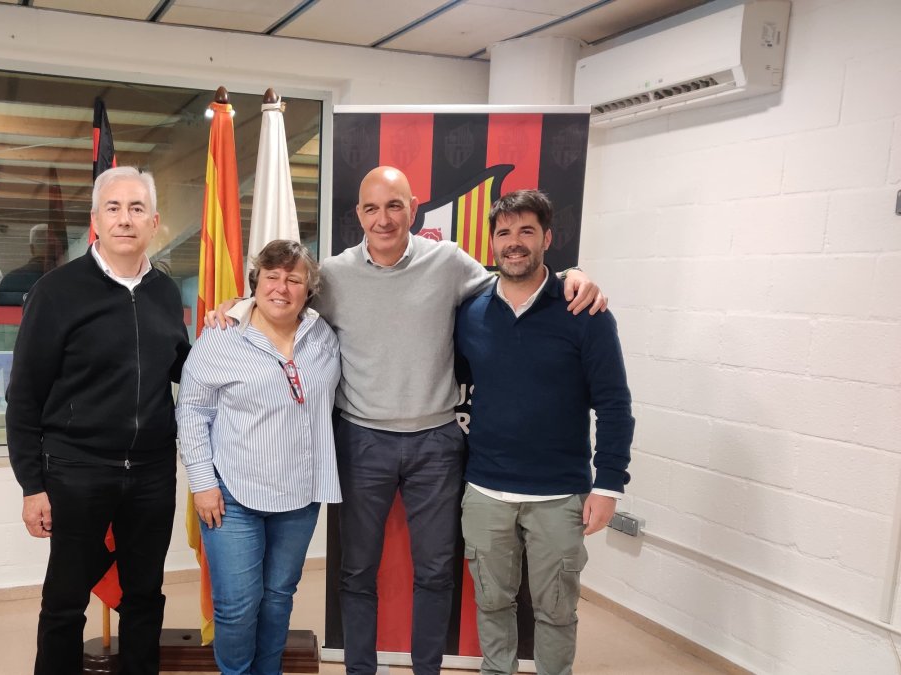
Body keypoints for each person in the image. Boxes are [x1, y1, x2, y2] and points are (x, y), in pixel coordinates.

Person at [209, 166, 605, 675]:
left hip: (437, 443)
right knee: (356, 572)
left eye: (394, 205)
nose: (383, 218)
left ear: (412, 208)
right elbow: (282, 300)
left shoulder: (448, 262)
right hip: (360, 439)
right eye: (372, 208)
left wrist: (571, 275)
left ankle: (426, 671)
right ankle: (359, 670)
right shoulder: (333, 274)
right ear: (358, 215)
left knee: (437, 572)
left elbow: (517, 281)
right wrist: (237, 306)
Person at [6, 166, 190, 675]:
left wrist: (236, 324)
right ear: (95, 220)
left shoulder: (165, 292)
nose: (124, 219)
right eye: (113, 208)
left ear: (153, 222)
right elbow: (23, 396)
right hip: (76, 470)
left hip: (152, 472)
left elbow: (184, 368)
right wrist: (31, 485)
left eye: (136, 209)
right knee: (65, 602)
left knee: (144, 598)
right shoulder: (56, 291)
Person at [455, 190, 633, 675]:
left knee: (556, 612)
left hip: (560, 493)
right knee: (492, 605)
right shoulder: (470, 313)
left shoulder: (584, 313)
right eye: (505, 232)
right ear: (492, 241)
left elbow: (614, 404)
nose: (514, 243)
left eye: (526, 231)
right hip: (485, 488)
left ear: (547, 238)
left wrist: (608, 485)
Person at [177, 239, 342, 675]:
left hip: (301, 495)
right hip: (231, 496)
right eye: (271, 277)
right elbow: (191, 411)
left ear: (309, 288)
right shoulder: (221, 336)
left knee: (277, 599)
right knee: (236, 607)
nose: (281, 288)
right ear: (257, 282)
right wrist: (202, 483)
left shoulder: (322, 335)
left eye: (294, 279)